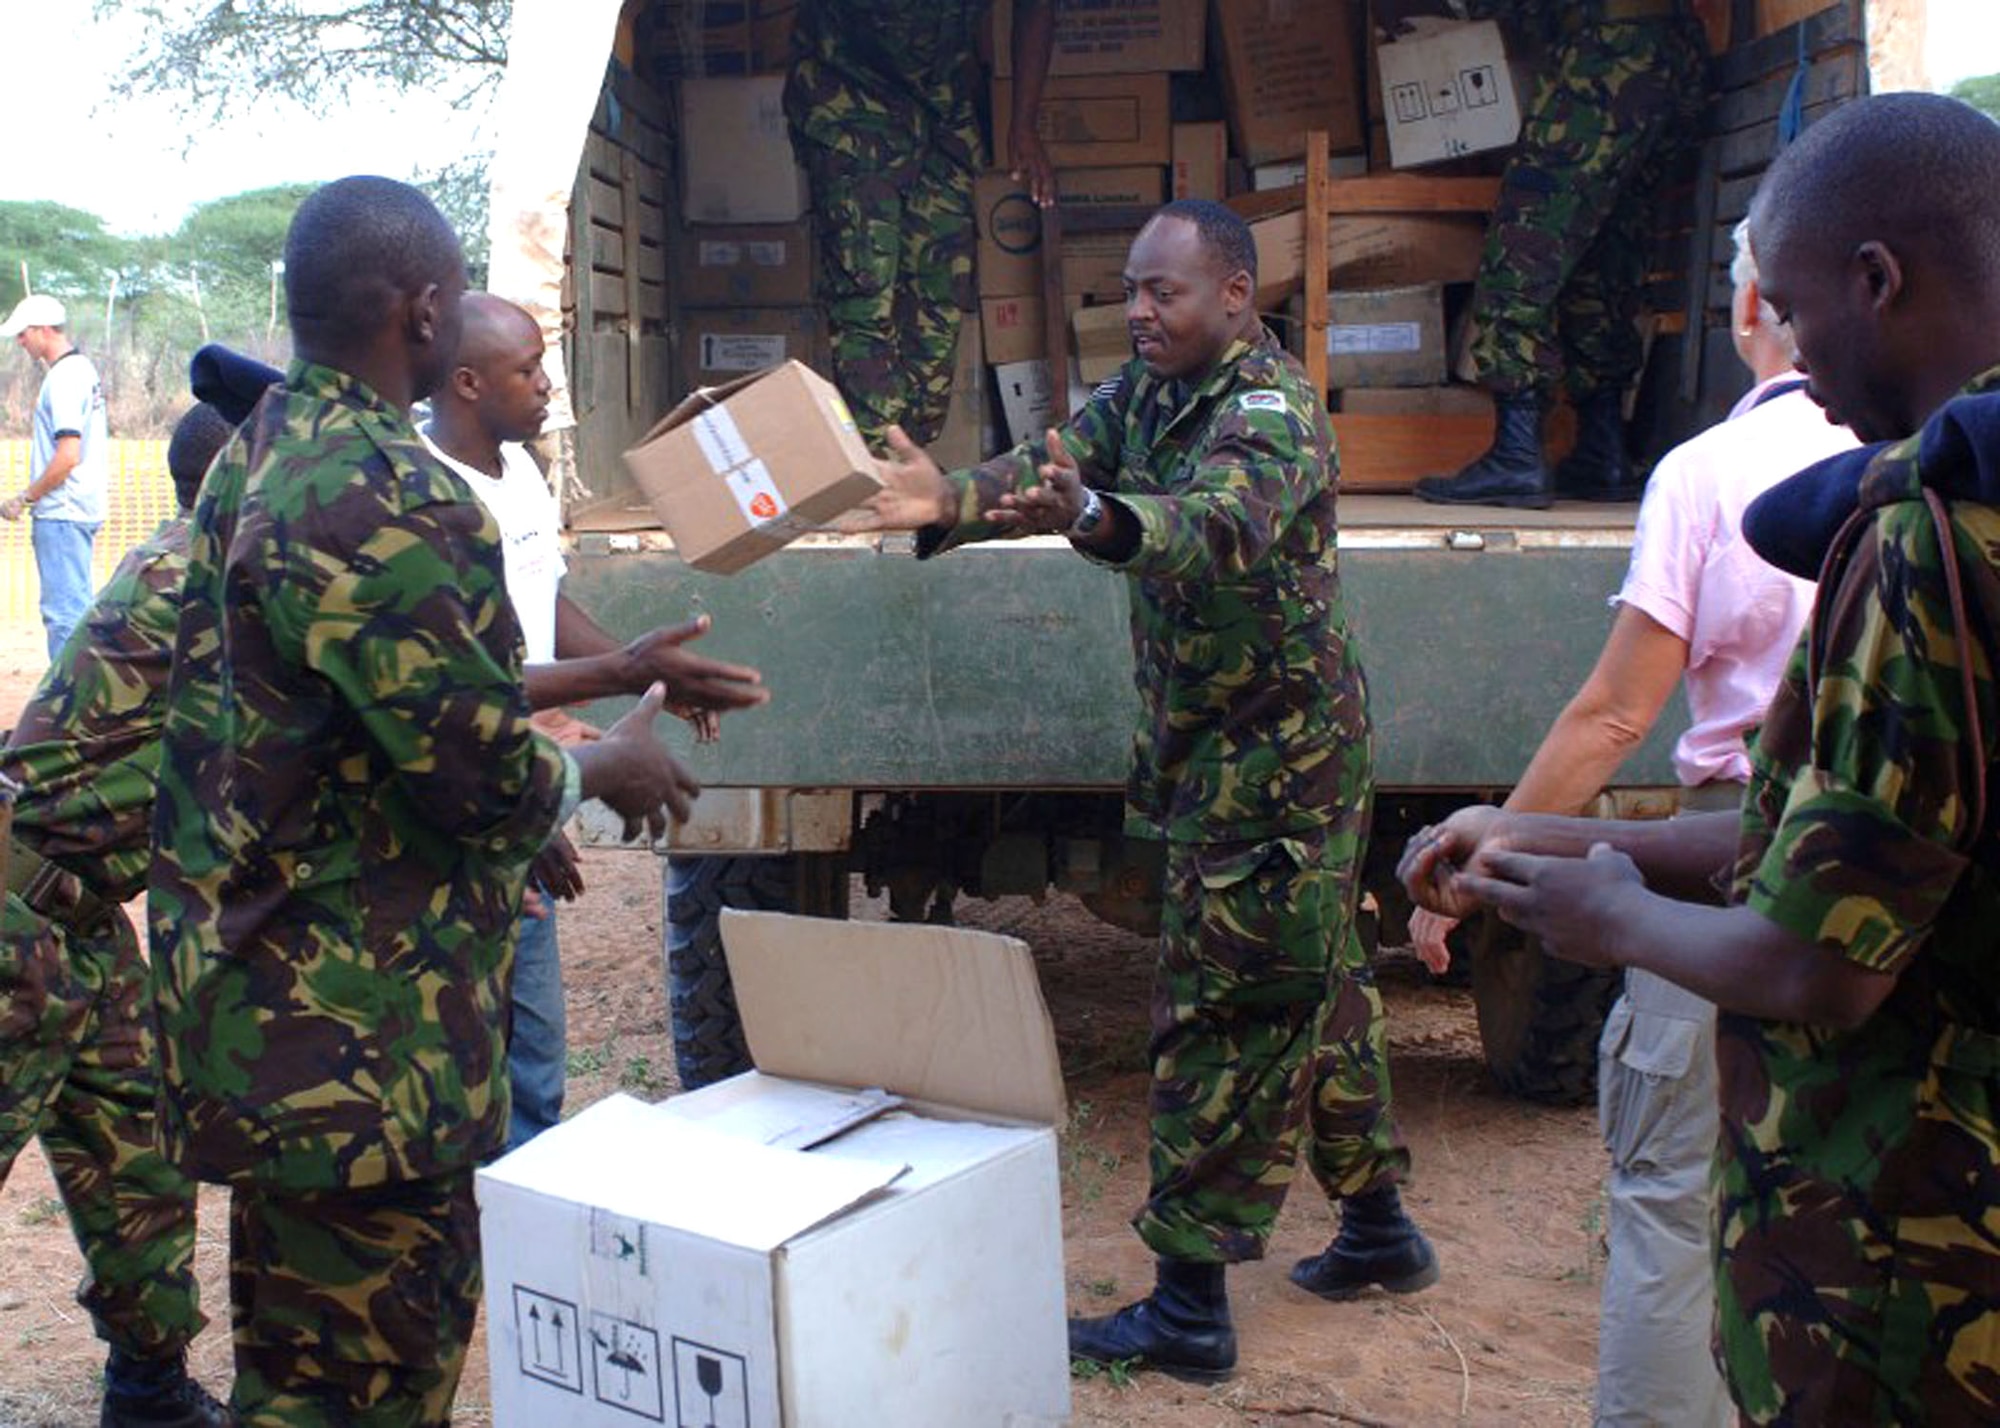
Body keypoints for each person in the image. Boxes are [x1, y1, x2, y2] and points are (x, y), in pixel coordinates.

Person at [1402, 93, 2000, 1422]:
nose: (1793, 351)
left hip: (1914, 1253)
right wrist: (1551, 837)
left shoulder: (1925, 540)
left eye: (1795, 309)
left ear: (1877, 280)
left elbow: (1822, 967)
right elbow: (1867, 855)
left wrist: (1608, 913)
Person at [147, 176, 703, 1425]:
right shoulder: (390, 493)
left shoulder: (262, 454)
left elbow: (377, 706)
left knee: (294, 1365)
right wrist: (599, 764)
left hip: (266, 1009)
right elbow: (476, 773)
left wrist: (614, 670)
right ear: (424, 312)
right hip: (356, 1044)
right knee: (369, 1381)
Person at [852, 199, 1434, 1383]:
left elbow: (1212, 528)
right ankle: (1379, 1231)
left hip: (1281, 766)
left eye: (1161, 292)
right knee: (1316, 986)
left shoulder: (1270, 414)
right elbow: (1053, 463)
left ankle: (1187, 1305)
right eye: (1128, 289)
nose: (1138, 311)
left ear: (1234, 294)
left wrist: (1097, 517)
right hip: (1217, 749)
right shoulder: (1150, 393)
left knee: (1215, 1016)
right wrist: (945, 502)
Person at [1409, 217, 1856, 1426]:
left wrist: (1495, 842)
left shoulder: (1709, 474)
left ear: (1749, 302)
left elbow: (1613, 718)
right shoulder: (1934, 462)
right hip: (1886, 865)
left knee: (1668, 1195)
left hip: (1737, 841)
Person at [420, 291, 767, 1148]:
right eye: (529, 370)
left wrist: (637, 676)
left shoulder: (521, 471)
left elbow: (544, 602)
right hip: (467, 790)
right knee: (465, 1051)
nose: (548, 387)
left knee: (533, 1058)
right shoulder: (430, 501)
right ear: (466, 381)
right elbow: (453, 682)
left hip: (520, 780)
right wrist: (532, 768)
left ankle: (516, 1235)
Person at [0, 400, 237, 1428]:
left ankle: (149, 1393)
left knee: (140, 1160)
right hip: (14, 916)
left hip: (84, 920)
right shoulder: (199, 575)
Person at [1414, 0, 1708, 508]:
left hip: (1605, 54)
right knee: (1605, 253)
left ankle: (1516, 457)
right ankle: (1602, 449)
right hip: (1670, 50)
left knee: (1525, 242)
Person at [785, 0, 1054, 447]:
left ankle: (911, 450)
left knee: (941, 296)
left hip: (943, 109)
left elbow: (1037, 8)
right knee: (865, 290)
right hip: (850, 98)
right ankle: (878, 463)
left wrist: (1023, 124)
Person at [1, 294, 110, 655]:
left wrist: (25, 497)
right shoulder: (84, 370)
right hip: (81, 507)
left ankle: (69, 704)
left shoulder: (63, 378)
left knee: (64, 616)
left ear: (43, 330)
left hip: (62, 511)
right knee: (77, 611)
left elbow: (67, 457)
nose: (20, 341)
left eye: (23, 334)